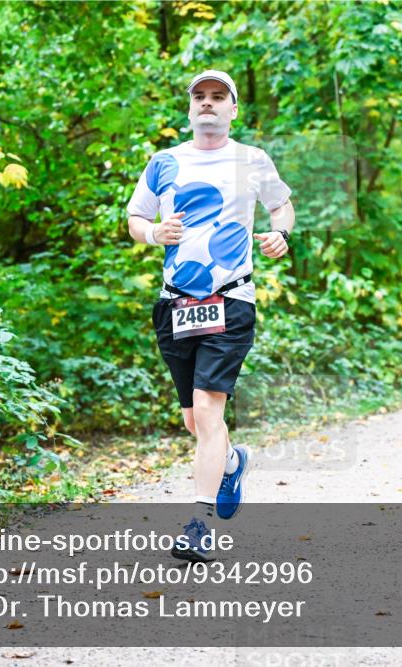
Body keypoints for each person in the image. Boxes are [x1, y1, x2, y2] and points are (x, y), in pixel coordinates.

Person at [126, 70, 295, 562]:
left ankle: (198, 525)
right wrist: (154, 233)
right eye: (200, 96)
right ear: (189, 108)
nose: (208, 103)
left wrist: (281, 235)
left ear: (233, 109)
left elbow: (283, 208)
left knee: (206, 408)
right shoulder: (164, 162)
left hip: (231, 298)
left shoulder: (252, 160)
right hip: (175, 302)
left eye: (219, 97)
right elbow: (136, 218)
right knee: (194, 420)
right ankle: (231, 461)